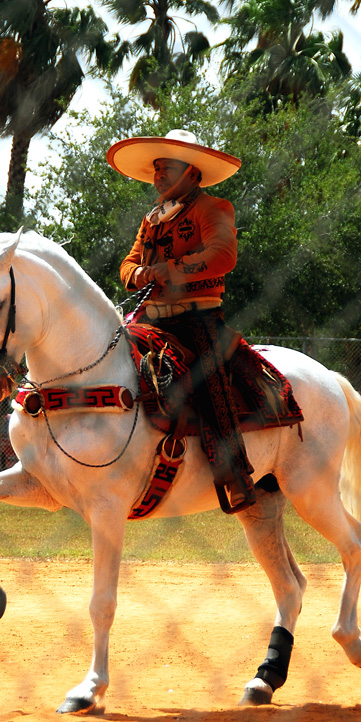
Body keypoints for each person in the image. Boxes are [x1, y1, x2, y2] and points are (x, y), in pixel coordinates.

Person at [106, 127, 257, 513]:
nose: (159, 175)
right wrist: (138, 275)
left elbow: (223, 254)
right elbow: (128, 263)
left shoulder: (214, 208)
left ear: (192, 172)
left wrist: (171, 270)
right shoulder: (152, 219)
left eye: (168, 167)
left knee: (211, 379)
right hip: (152, 319)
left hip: (199, 318)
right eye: (157, 169)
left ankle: (235, 474)